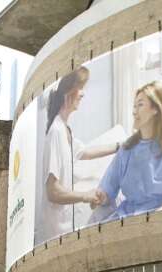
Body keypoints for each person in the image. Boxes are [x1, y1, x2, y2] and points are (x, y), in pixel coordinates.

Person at [93, 80, 162, 221]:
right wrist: (101, 197)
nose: (134, 111)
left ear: (156, 109)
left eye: (140, 105)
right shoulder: (127, 148)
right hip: (127, 218)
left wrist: (153, 222)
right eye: (134, 106)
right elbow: (108, 189)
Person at [40, 66, 120, 244]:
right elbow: (52, 192)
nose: (83, 94)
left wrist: (118, 146)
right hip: (55, 230)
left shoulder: (65, 129)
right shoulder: (56, 132)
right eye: (81, 88)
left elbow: (85, 152)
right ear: (69, 92)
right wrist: (86, 195)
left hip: (65, 226)